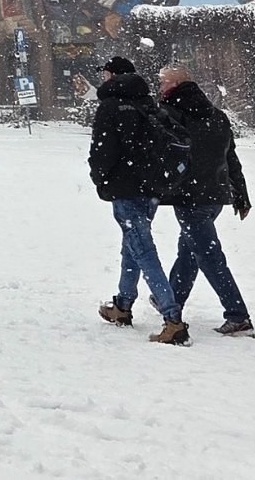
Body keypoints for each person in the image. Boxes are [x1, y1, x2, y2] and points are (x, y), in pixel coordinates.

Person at [88, 55, 189, 345]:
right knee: (132, 245)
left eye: (105, 73)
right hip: (151, 188)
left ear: (113, 76)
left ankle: (173, 319)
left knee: (142, 249)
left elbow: (103, 151)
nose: (103, 78)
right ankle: (123, 305)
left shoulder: (110, 107)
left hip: (125, 188)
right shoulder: (147, 103)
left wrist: (100, 178)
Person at [156, 64, 255, 337]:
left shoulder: (171, 114)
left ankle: (238, 316)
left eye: (163, 83)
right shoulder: (218, 116)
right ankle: (172, 298)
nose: (160, 87)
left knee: (209, 256)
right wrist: (241, 195)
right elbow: (230, 157)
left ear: (175, 85)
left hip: (190, 197)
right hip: (216, 196)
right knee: (190, 250)